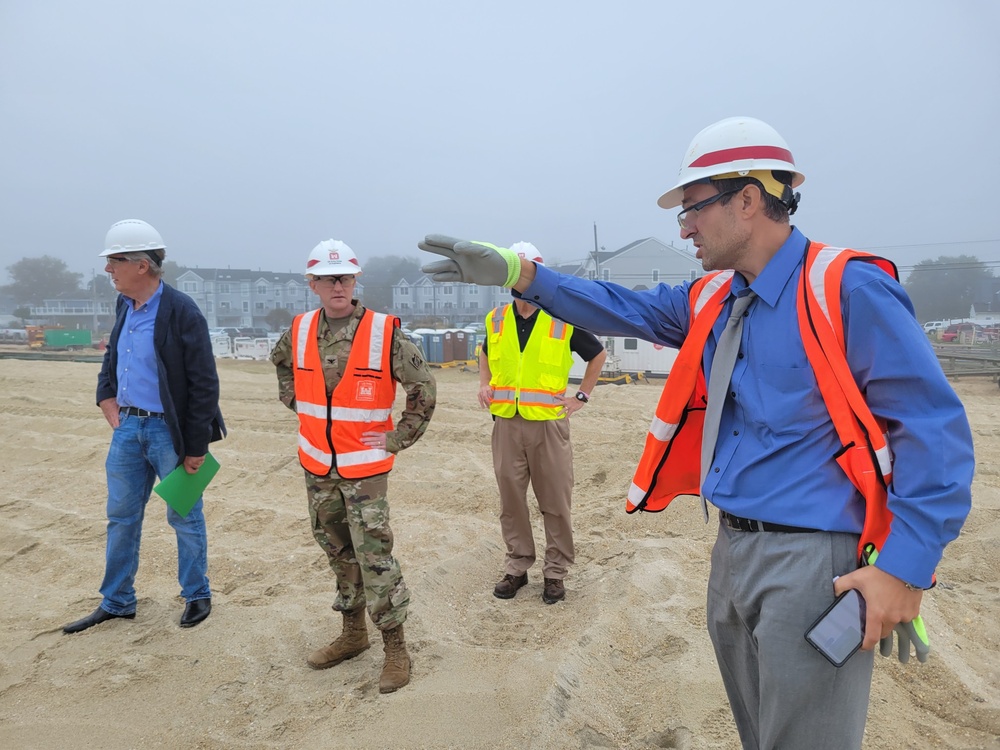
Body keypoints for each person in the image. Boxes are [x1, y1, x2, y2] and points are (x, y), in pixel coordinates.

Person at [418, 117, 974, 750]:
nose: (683, 227)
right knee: (760, 734)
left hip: (817, 564)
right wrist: (521, 273)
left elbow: (936, 433)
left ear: (748, 198)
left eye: (692, 208)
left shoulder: (847, 289)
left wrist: (904, 569)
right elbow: (616, 306)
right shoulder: (714, 297)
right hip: (732, 552)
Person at [270, 239, 436, 694]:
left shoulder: (383, 332)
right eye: (328, 278)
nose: (337, 285)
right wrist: (299, 406)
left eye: (344, 277)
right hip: (317, 465)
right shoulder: (300, 329)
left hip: (365, 470)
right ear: (313, 284)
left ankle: (396, 648)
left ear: (354, 280)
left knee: (374, 556)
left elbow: (423, 387)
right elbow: (281, 367)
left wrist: (400, 436)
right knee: (337, 552)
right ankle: (352, 635)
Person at [63, 219, 225, 634]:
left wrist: (196, 446)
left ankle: (196, 595)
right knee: (120, 516)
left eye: (114, 261)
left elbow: (204, 383)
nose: (107, 269)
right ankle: (117, 601)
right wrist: (106, 394)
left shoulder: (181, 310)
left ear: (142, 265)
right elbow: (113, 355)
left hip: (168, 434)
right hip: (128, 429)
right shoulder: (124, 305)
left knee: (184, 514)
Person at [478, 242, 606, 604]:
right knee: (511, 501)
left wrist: (581, 396)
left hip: (548, 425)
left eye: (528, 272)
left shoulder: (562, 318)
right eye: (516, 276)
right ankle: (518, 566)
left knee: (555, 501)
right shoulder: (495, 319)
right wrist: (484, 384)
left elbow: (597, 355)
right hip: (505, 424)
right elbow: (485, 352)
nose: (522, 283)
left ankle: (555, 573)